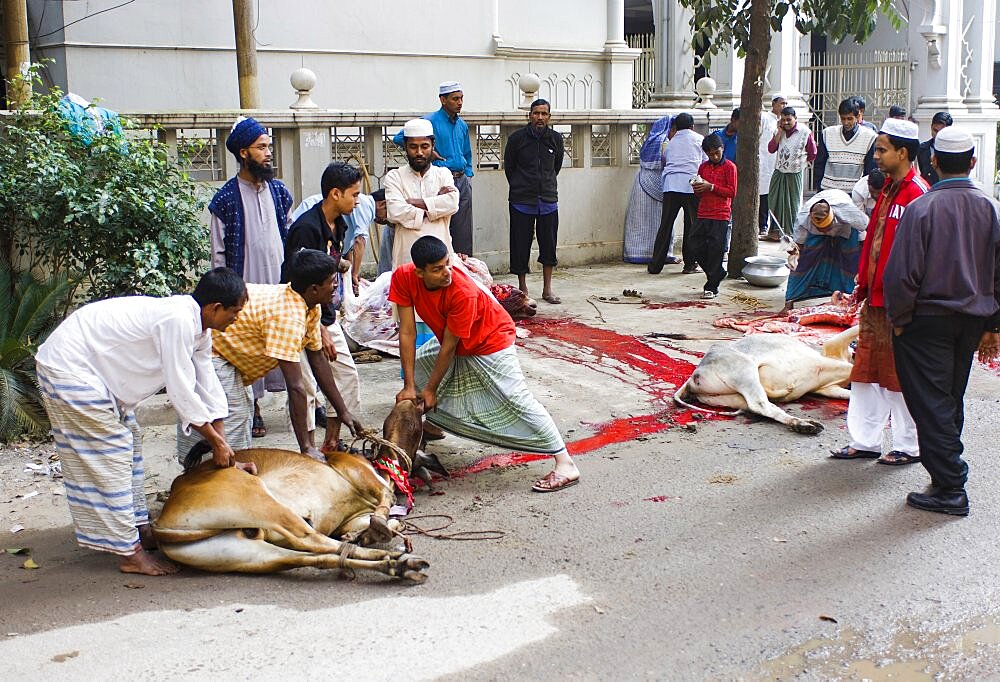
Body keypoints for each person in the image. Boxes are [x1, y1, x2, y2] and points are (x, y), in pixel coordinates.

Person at [35, 268, 250, 576]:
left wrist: (224, 447)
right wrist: (216, 443)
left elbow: (208, 383)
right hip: (68, 367)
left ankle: (137, 528)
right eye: (235, 312)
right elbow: (181, 389)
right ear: (214, 308)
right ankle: (129, 553)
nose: (237, 318)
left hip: (96, 374)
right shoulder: (176, 321)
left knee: (131, 439)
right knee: (112, 453)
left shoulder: (200, 328)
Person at [389, 235, 581, 492]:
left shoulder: (462, 292)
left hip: (490, 339)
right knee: (423, 363)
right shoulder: (403, 277)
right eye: (437, 269)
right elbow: (407, 332)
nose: (447, 272)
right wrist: (409, 385)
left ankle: (565, 463)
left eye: (448, 264)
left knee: (517, 399)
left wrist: (431, 390)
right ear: (419, 272)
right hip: (453, 337)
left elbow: (449, 347)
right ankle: (433, 426)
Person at [884, 126, 1000, 516]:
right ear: (972, 162)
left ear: (933, 161)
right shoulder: (990, 206)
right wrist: (993, 325)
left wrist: (899, 320)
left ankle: (952, 485)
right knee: (948, 399)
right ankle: (945, 476)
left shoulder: (923, 208)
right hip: (970, 320)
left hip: (926, 320)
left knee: (932, 404)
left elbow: (902, 274)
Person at [177, 249, 364, 463]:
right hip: (214, 351)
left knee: (239, 416)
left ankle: (217, 470)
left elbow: (318, 360)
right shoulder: (289, 317)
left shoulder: (310, 307)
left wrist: (343, 411)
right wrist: (306, 447)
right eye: (332, 282)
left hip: (231, 355)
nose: (336, 286)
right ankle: (210, 475)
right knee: (232, 417)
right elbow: (295, 386)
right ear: (314, 289)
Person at [831, 118, 927, 466]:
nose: (877, 155)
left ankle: (909, 445)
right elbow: (874, 242)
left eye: (883, 150)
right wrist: (862, 284)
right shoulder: (886, 189)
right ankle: (866, 440)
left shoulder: (917, 194)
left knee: (898, 375)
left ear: (903, 153)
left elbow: (918, 257)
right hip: (874, 300)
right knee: (867, 370)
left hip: (899, 304)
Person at [209, 116, 294, 439]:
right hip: (244, 284)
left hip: (278, 283)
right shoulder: (225, 199)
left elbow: (288, 234)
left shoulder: (280, 191)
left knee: (283, 339)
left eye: (269, 146)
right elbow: (218, 253)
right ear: (244, 152)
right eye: (262, 147)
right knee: (248, 344)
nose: (268, 153)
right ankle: (254, 406)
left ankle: (298, 403)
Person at [282, 162, 365, 453]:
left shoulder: (339, 224)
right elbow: (293, 284)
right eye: (354, 195)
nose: (357, 200)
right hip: (297, 318)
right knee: (304, 387)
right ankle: (309, 449)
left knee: (346, 375)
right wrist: (317, 328)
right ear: (335, 193)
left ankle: (331, 441)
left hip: (324, 314)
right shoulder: (305, 229)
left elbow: (329, 266)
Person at [392, 81, 473, 256]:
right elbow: (400, 138)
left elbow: (467, 152)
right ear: (443, 100)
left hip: (460, 181)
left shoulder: (462, 125)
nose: (460, 102)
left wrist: (468, 173)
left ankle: (462, 271)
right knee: (436, 227)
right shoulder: (429, 121)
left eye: (461, 98)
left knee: (463, 232)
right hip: (437, 178)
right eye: (455, 99)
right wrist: (431, 152)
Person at [504, 98, 565, 304]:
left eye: (544, 114)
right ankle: (522, 289)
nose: (540, 117)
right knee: (520, 245)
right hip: (521, 200)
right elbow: (509, 168)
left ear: (549, 116)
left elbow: (555, 167)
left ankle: (547, 289)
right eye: (536, 113)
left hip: (547, 200)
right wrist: (522, 187)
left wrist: (544, 185)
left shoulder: (555, 139)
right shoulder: (517, 139)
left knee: (549, 244)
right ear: (529, 115)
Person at [385, 118, 459, 270]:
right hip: (406, 259)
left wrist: (412, 202)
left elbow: (452, 203)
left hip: (441, 259)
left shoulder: (443, 174)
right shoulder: (394, 176)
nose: (419, 152)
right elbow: (394, 211)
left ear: (433, 146)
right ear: (405, 147)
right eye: (413, 147)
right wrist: (434, 205)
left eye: (424, 146)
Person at [783, 189, 867, 311]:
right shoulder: (803, 219)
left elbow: (865, 230)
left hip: (846, 230)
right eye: (820, 229)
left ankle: (853, 299)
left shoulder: (849, 212)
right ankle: (790, 301)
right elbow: (798, 247)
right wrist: (793, 257)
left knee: (851, 261)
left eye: (827, 227)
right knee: (804, 262)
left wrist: (863, 259)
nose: (825, 232)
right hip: (813, 234)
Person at [648, 112, 705, 274]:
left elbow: (665, 160)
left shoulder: (670, 143)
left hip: (671, 186)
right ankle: (690, 264)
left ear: (675, 127)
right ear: (692, 126)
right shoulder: (699, 139)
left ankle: (655, 266)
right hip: (691, 187)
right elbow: (706, 161)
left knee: (665, 225)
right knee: (692, 226)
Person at [690, 134, 737, 299]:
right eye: (711, 154)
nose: (715, 156)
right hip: (703, 211)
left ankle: (711, 286)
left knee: (716, 250)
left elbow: (731, 192)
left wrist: (712, 187)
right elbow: (699, 192)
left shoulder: (730, 167)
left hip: (721, 214)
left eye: (717, 153)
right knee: (693, 245)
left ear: (722, 149)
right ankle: (717, 272)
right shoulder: (703, 167)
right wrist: (697, 188)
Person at [624, 114, 674, 264]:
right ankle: (662, 254)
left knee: (640, 223)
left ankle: (636, 252)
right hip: (661, 183)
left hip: (643, 184)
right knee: (661, 221)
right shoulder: (665, 142)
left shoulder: (651, 141)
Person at [763, 106, 817, 241]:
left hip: (794, 173)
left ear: (795, 119)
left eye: (789, 120)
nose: (786, 122)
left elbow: (813, 153)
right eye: (783, 120)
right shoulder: (779, 131)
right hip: (779, 171)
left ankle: (790, 232)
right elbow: (771, 149)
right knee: (774, 200)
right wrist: (779, 132)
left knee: (792, 203)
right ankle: (775, 231)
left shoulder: (805, 132)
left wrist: (801, 163)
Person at [814, 98, 877, 192]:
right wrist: (819, 186)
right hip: (828, 190)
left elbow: (870, 168)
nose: (846, 122)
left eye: (850, 119)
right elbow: (819, 163)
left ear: (858, 116)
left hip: (854, 192)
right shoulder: (828, 134)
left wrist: (863, 191)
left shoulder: (869, 137)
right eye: (843, 118)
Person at [758, 98, 781, 235]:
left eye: (785, 103)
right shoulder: (765, 118)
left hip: (776, 162)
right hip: (763, 160)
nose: (783, 106)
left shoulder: (784, 121)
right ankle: (762, 224)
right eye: (781, 103)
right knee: (763, 193)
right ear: (773, 104)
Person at [916, 111, 954, 187]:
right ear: (931, 127)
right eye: (935, 130)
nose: (937, 135)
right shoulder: (922, 149)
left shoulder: (954, 150)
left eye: (942, 132)